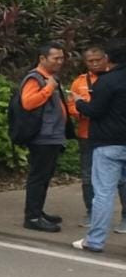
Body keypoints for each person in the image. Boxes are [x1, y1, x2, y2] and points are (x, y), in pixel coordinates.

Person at [72, 41, 126, 252]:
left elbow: (95, 110)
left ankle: (94, 241)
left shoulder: (106, 81)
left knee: (103, 193)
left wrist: (79, 102)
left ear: (108, 58)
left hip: (108, 143)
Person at [16, 42, 69, 233]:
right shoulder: (35, 78)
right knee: (38, 177)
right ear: (42, 58)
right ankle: (32, 217)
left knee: (44, 176)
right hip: (42, 137)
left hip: (52, 135)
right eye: (56, 58)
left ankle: (37, 211)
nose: (60, 61)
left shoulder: (49, 78)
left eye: (62, 58)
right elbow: (28, 103)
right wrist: (48, 89)